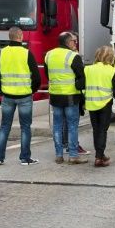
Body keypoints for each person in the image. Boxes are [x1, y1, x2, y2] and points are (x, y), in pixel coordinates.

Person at [0, 26, 41, 165]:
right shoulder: (27, 53)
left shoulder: (1, 53)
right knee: (25, 127)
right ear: (21, 36)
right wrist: (32, 90)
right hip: (24, 95)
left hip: (7, 95)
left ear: (9, 37)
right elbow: (36, 77)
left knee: (4, 126)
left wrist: (2, 89)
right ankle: (25, 158)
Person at [45, 32, 87, 164]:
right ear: (68, 42)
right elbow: (81, 77)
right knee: (72, 126)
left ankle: (59, 155)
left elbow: (47, 74)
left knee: (57, 125)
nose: (75, 43)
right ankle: (73, 155)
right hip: (70, 96)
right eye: (74, 41)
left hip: (55, 95)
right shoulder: (73, 56)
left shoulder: (49, 54)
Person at [85, 46, 115, 167]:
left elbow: (80, 84)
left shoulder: (88, 69)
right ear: (111, 57)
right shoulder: (112, 71)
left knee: (96, 130)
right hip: (105, 103)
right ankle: (99, 157)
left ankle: (100, 154)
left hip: (91, 103)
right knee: (103, 130)